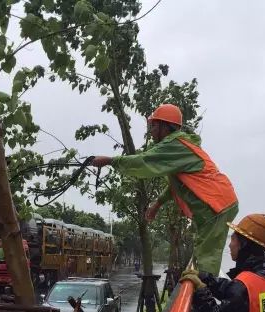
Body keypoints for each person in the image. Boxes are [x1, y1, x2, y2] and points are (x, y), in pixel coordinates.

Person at [92, 103, 239, 276]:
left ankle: (204, 295)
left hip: (215, 204)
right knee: (203, 253)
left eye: (154, 125)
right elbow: (177, 186)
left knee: (207, 258)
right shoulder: (179, 146)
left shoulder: (175, 144)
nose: (151, 131)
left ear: (165, 126)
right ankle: (203, 289)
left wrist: (110, 161)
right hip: (216, 203)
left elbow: (143, 162)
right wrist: (157, 203)